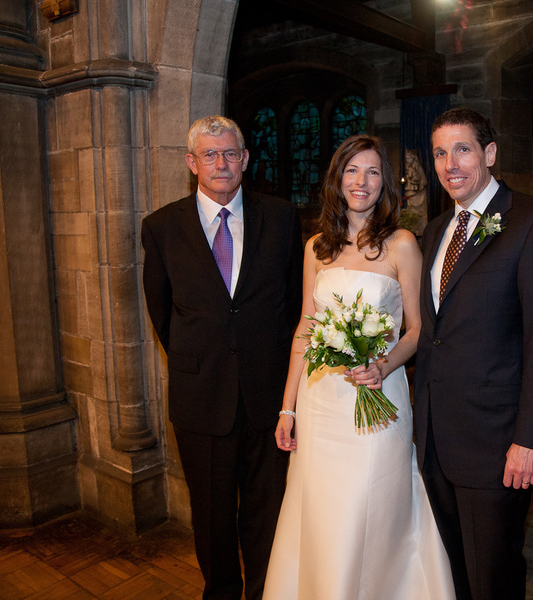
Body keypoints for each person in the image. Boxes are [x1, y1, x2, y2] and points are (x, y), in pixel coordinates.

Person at [263, 135, 456, 600]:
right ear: (337, 179)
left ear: (384, 183)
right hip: (321, 403)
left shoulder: (401, 244)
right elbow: (306, 328)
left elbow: (417, 330)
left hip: (378, 398)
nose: (361, 181)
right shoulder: (316, 248)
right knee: (323, 510)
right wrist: (288, 408)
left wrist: (384, 366)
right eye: (352, 170)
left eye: (372, 172)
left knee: (372, 505)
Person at [414, 108, 533, 600]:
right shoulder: (436, 230)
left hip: (497, 444)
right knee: (457, 573)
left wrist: (529, 438)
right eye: (440, 153)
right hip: (436, 438)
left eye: (462, 149)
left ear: (489, 153)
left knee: (494, 576)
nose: (450, 164)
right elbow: (434, 335)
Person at [141, 115, 303, 600]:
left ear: (245, 159)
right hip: (201, 397)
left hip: (268, 397)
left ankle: (264, 593)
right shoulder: (162, 227)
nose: (221, 164)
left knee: (266, 511)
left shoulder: (281, 218)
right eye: (209, 155)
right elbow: (162, 313)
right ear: (192, 163)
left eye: (230, 153)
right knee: (212, 516)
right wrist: (203, 359)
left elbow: (295, 304)